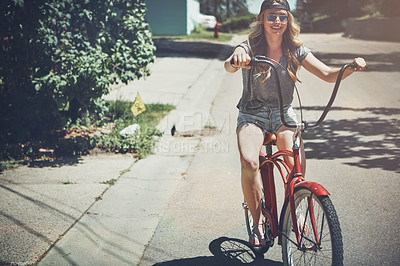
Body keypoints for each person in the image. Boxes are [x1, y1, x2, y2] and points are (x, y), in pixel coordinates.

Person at [224, 0, 366, 247]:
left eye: (282, 16)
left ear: (288, 20)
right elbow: (229, 66)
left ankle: (296, 212)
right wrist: (235, 59)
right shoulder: (249, 46)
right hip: (252, 114)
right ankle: (257, 223)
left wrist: (350, 67)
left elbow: (327, 74)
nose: (276, 21)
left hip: (282, 115)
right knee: (249, 161)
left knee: (294, 165)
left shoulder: (296, 51)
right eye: (271, 16)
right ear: (262, 19)